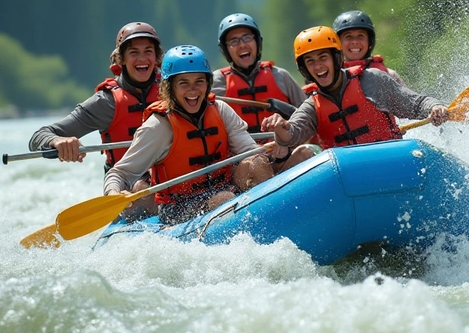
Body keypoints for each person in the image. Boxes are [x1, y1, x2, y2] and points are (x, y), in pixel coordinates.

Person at [103, 45, 282, 224]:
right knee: (224, 199)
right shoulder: (158, 127)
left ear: (208, 83)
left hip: (225, 185)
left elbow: (249, 151)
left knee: (257, 163)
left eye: (199, 81)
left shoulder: (221, 110)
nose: (193, 90)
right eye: (184, 83)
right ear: (170, 87)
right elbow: (119, 173)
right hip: (179, 206)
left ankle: (275, 220)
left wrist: (273, 153)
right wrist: (113, 192)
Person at [29, 22, 164, 217]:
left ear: (156, 57)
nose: (142, 59)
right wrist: (57, 141)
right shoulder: (106, 103)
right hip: (126, 185)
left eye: (148, 51)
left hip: (172, 177)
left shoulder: (173, 90)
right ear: (122, 59)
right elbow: (38, 136)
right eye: (134, 52)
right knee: (143, 188)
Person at [261, 26, 449, 150]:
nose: (318, 66)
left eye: (323, 58)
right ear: (305, 69)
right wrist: (281, 127)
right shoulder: (312, 106)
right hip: (348, 175)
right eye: (310, 62)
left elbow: (416, 103)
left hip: (388, 159)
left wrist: (434, 107)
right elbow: (291, 136)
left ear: (336, 58)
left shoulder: (371, 80)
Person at [212, 12, 315, 171]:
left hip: (284, 160)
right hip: (247, 165)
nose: (242, 45)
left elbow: (309, 118)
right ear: (226, 50)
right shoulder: (216, 83)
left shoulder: (280, 76)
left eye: (247, 37)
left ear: (257, 42)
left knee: (306, 152)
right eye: (234, 41)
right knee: (257, 166)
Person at [332, 10, 405, 85]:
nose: (355, 42)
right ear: (338, 43)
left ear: (369, 41)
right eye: (348, 37)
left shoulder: (389, 75)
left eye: (360, 36)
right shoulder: (331, 78)